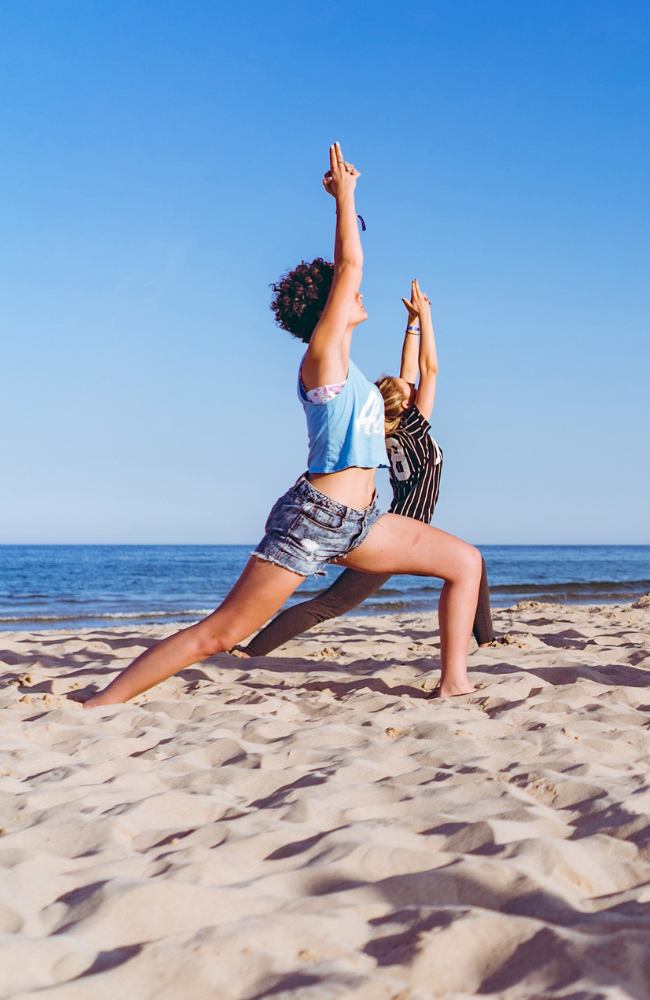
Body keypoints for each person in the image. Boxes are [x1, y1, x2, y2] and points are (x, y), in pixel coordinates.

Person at [84, 144, 487, 706]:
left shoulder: (352, 371)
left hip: (364, 522)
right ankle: (100, 704)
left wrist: (417, 326)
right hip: (314, 520)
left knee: (465, 561)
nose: (358, 293)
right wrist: (345, 199)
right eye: (346, 295)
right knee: (222, 633)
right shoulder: (322, 361)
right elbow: (350, 267)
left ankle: (454, 683)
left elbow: (398, 352)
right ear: (328, 308)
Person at [228, 279, 495, 659]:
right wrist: (428, 318)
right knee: (331, 605)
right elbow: (428, 369)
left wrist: (412, 324)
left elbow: (411, 372)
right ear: (403, 407)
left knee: (470, 561)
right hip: (394, 532)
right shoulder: (415, 427)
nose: (413, 388)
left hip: (390, 525)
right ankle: (251, 652)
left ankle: (488, 642)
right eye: (408, 391)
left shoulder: (384, 429)